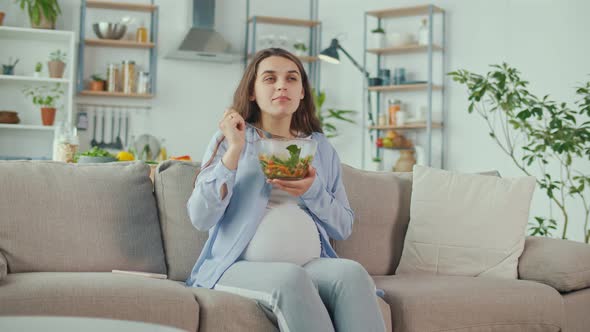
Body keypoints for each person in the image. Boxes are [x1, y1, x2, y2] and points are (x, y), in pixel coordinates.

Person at [186, 48, 385, 332]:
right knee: (291, 279)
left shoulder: (320, 148)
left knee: (351, 273)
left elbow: (343, 227)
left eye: (292, 79)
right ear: (252, 91)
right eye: (269, 78)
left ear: (302, 92)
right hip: (238, 265)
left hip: (310, 264)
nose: (282, 85)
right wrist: (235, 150)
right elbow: (200, 217)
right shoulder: (232, 139)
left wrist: (312, 189)